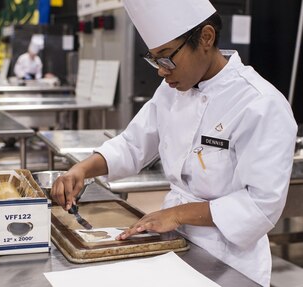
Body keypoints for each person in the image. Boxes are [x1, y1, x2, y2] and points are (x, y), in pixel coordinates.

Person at [50, 1, 297, 286]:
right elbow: (133, 144)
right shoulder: (171, 92)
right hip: (173, 244)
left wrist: (178, 214)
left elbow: (261, 204)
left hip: (230, 260)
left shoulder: (260, 104)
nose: (160, 71)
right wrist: (81, 169)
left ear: (206, 38)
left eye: (166, 58)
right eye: (154, 59)